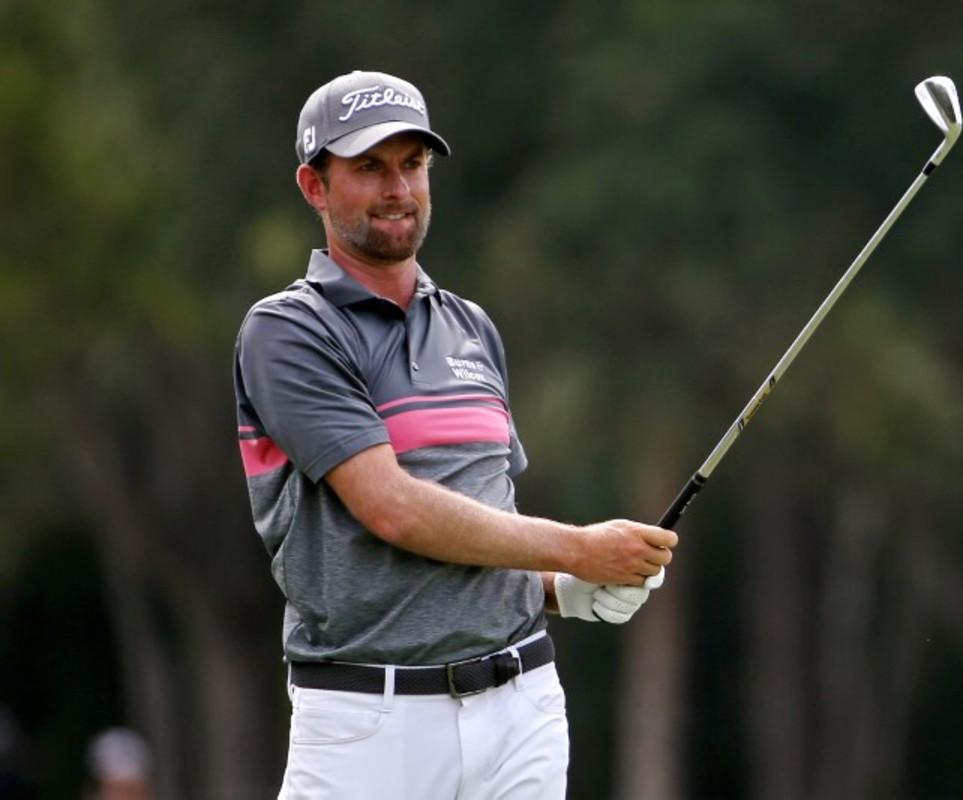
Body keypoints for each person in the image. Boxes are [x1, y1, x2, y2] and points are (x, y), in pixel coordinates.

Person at [233, 70, 677, 799]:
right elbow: (393, 509)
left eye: (412, 164)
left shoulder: (471, 327)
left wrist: (562, 589)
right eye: (369, 167)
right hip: (367, 723)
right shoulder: (288, 331)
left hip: (522, 705)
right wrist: (579, 549)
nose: (398, 189)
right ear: (314, 186)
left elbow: (483, 523)